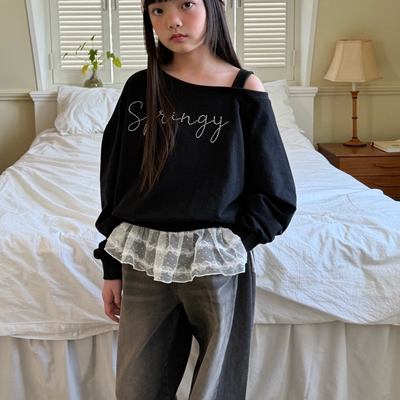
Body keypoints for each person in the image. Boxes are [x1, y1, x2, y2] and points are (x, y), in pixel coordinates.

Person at [93, 0, 296, 398]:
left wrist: (237, 241)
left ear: (212, 7)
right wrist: (111, 265)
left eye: (186, 4)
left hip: (216, 260)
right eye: (157, 10)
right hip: (144, 260)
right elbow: (115, 183)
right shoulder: (140, 87)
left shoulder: (243, 89)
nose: (173, 20)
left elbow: (276, 192)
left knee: (215, 390)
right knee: (136, 389)